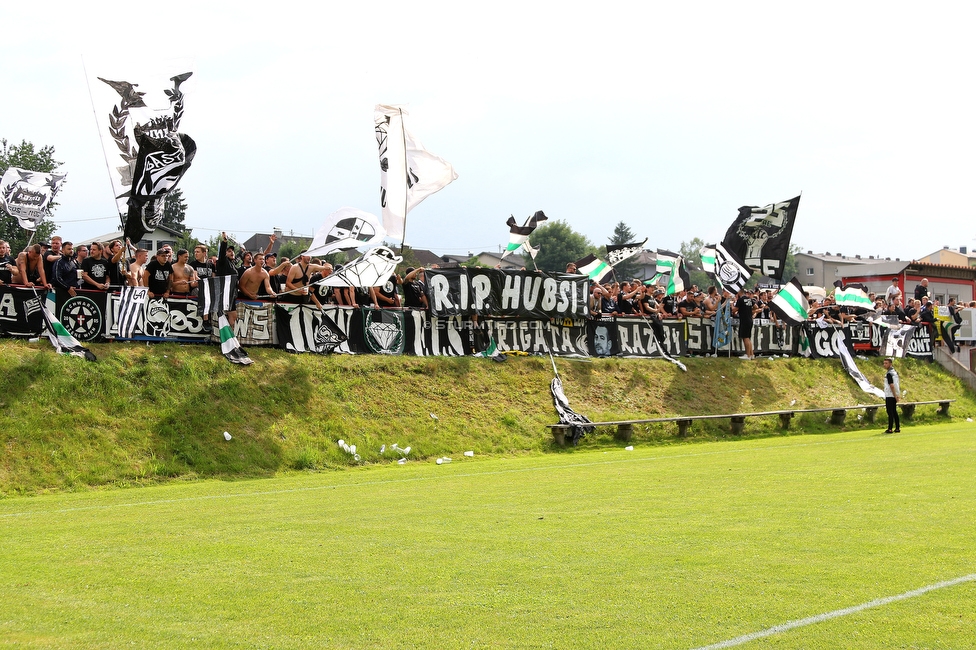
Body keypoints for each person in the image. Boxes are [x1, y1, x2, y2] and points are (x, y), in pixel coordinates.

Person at [734, 288, 757, 360]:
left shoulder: (740, 300)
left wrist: (731, 306)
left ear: (739, 292)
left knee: (745, 338)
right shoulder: (750, 299)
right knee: (748, 338)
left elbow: (734, 310)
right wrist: (749, 310)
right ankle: (751, 354)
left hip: (744, 320)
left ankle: (748, 355)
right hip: (750, 319)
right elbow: (756, 307)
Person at [883, 357, 901, 434]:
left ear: (890, 364)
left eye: (886, 363)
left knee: (889, 411)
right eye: (884, 363)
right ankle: (897, 427)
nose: (884, 365)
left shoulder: (889, 374)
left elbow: (892, 385)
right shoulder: (895, 372)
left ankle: (890, 428)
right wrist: (896, 395)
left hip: (890, 394)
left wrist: (894, 395)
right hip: (894, 393)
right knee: (894, 411)